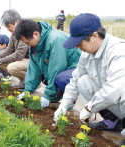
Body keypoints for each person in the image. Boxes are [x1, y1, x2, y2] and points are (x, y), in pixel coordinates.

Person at [53, 14, 125, 145]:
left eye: (80, 43)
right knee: (83, 81)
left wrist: (89, 108)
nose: (77, 47)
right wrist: (63, 106)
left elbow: (113, 90)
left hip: (120, 96)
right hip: (117, 103)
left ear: (95, 37)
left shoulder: (118, 52)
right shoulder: (87, 54)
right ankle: (113, 122)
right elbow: (75, 79)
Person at [15, 19, 81, 107]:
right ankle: (56, 93)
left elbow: (56, 68)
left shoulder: (55, 39)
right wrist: (27, 91)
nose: (28, 45)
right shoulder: (35, 44)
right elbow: (34, 69)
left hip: (78, 68)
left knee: (60, 79)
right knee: (45, 76)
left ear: (36, 34)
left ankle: (70, 99)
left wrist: (47, 95)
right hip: (64, 68)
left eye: (27, 42)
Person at [0, 9, 29, 89]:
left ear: (16, 21)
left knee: (11, 67)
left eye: (8, 26)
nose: (8, 29)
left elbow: (19, 54)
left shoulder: (25, 31)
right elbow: (8, 51)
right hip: (23, 60)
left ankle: (31, 81)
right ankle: (24, 80)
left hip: (32, 60)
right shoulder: (13, 34)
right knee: (1, 64)